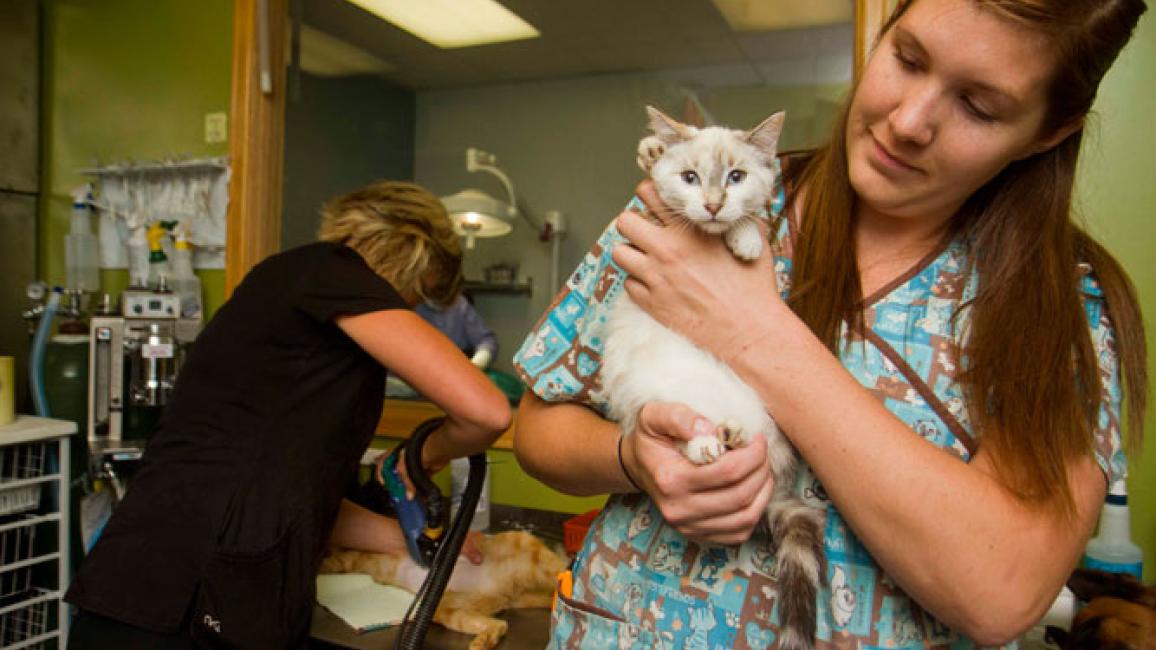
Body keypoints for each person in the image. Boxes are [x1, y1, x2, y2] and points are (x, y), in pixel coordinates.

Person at [512, 0, 1149, 646]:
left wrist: (755, 332)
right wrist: (630, 458)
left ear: (1048, 131)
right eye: (907, 58)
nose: (908, 122)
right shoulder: (691, 200)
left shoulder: (1065, 307)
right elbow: (536, 428)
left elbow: (1001, 592)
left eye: (978, 106)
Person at [66, 181, 511, 649]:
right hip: (171, 604)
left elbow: (291, 491)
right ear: (414, 259)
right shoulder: (330, 269)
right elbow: (486, 411)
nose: (412, 313)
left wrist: (414, 541)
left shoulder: (298, 318)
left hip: (172, 596)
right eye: (419, 299)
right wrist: (422, 455)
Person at [416, 294, 499, 369]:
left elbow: (487, 341)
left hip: (458, 370)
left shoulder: (459, 304)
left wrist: (477, 363)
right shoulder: (411, 305)